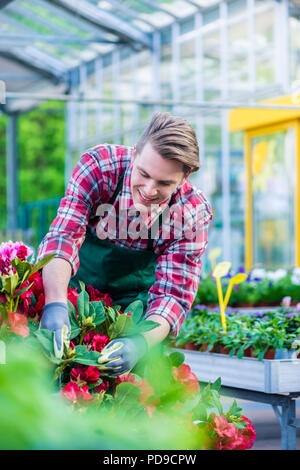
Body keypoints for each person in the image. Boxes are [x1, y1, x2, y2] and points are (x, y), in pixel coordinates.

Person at [37, 112, 213, 376]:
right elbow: (64, 237)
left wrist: (139, 343)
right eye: (143, 173)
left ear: (185, 176)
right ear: (135, 153)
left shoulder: (191, 212)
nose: (150, 190)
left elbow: (172, 295)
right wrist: (55, 303)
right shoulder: (100, 167)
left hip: (133, 312)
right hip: (71, 290)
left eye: (164, 183)